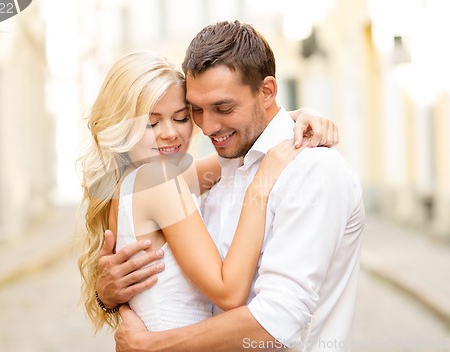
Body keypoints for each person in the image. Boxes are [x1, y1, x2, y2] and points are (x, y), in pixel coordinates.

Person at [109, 20, 364, 352]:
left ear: (267, 91)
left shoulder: (313, 171)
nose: (208, 127)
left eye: (223, 108)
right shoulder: (221, 167)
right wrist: (110, 295)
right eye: (196, 111)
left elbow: (276, 323)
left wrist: (150, 346)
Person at [78, 51, 337, 333]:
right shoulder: (158, 179)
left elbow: (245, 149)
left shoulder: (134, 182)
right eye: (151, 123)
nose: (170, 134)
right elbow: (229, 292)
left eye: (181, 118)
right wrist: (259, 190)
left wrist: (293, 118)